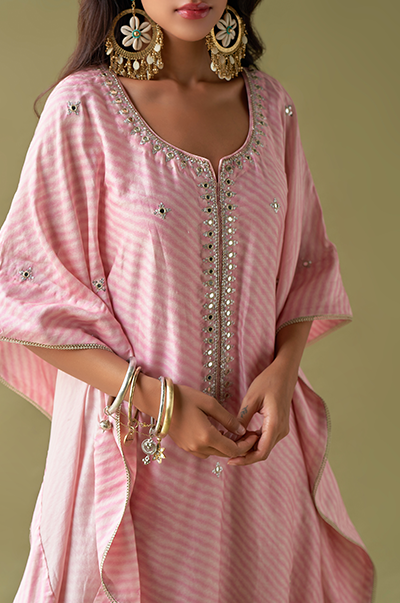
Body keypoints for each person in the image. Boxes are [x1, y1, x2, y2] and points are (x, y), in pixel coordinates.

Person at [0, 0, 374, 601]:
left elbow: (306, 264)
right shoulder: (85, 109)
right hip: (138, 456)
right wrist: (160, 404)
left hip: (258, 454)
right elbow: (24, 292)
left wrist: (283, 375)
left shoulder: (270, 107)